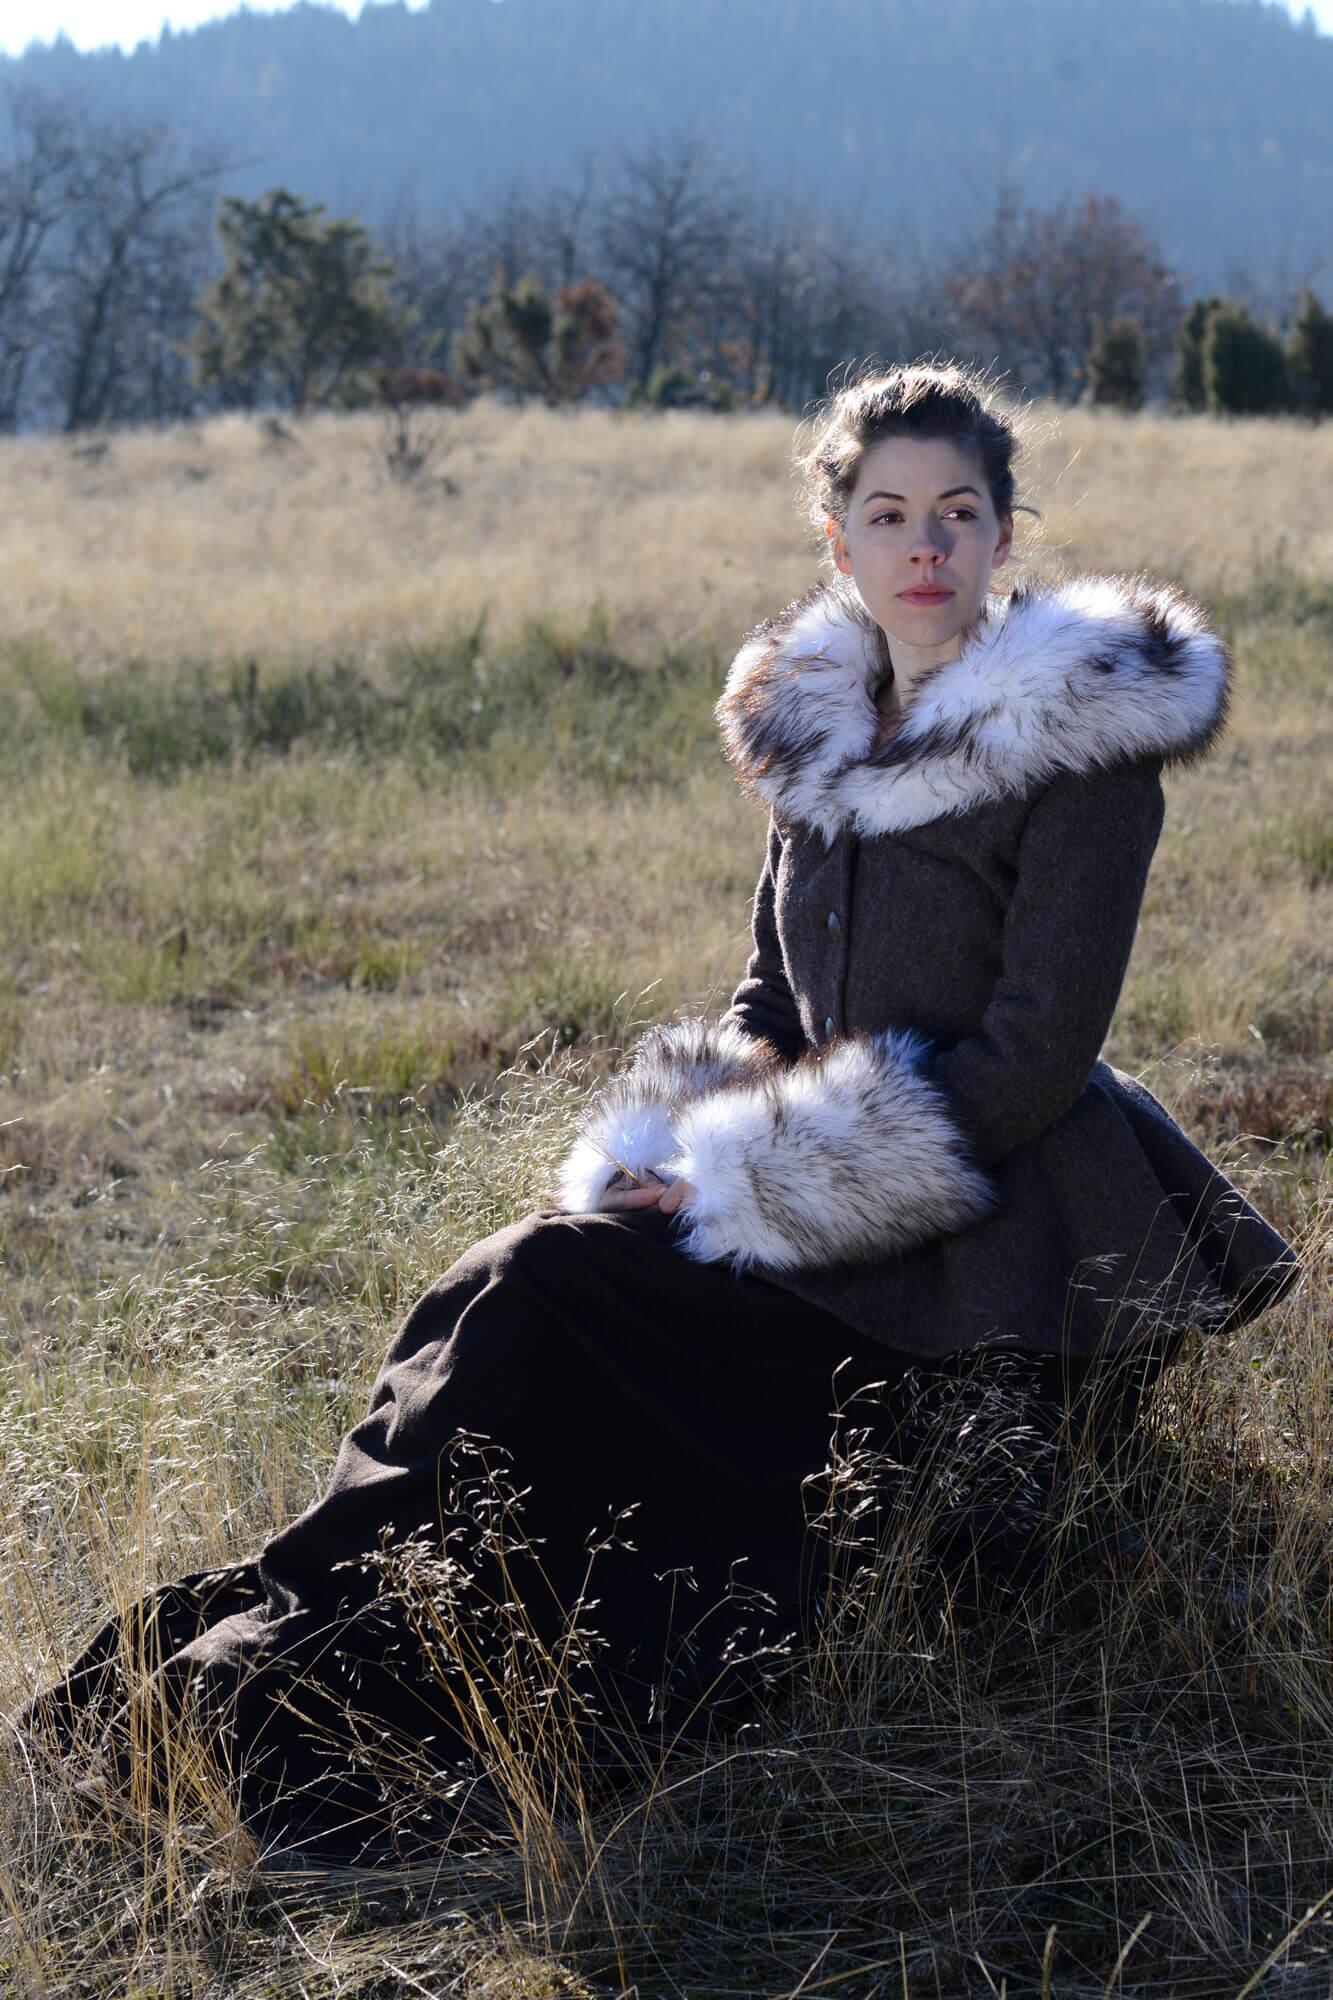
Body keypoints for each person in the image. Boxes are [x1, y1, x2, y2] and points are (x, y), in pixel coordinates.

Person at [26, 360, 1301, 1863]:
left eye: (959, 513)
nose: (926, 546)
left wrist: (756, 1187)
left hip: (986, 1236)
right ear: (838, 541)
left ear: (1005, 534)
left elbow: (1033, 1056)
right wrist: (678, 1153)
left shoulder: (1080, 753)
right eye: (890, 514)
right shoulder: (818, 729)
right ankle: (300, 1628)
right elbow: (772, 996)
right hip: (811, 1183)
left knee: (572, 1334)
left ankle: (358, 1694)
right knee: (518, 1287)